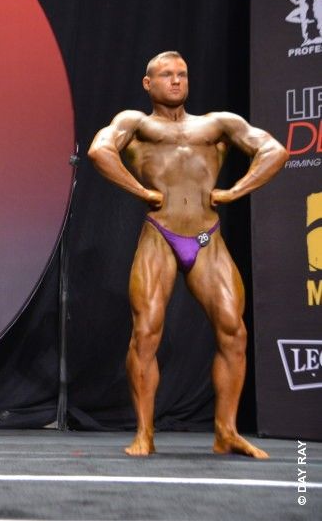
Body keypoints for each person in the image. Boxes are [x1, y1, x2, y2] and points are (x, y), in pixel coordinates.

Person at [88, 51, 287, 458]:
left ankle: (226, 432)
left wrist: (236, 191)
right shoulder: (136, 123)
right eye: (166, 74)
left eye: (182, 74)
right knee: (146, 332)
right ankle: (144, 434)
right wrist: (141, 191)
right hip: (159, 235)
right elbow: (99, 151)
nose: (176, 80)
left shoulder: (218, 123)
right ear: (148, 83)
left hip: (206, 236)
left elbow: (274, 151)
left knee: (234, 331)